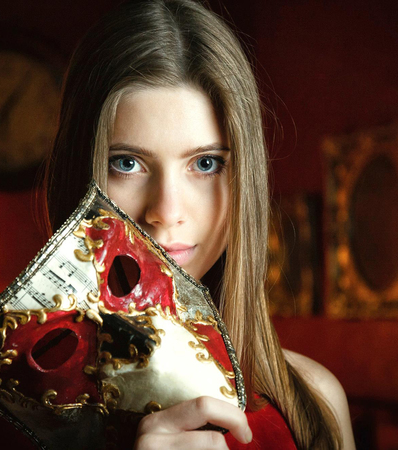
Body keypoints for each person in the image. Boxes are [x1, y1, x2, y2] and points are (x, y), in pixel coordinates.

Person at [44, 0, 356, 448]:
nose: (167, 211)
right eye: (126, 163)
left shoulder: (314, 401)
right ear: (79, 174)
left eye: (206, 163)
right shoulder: (15, 416)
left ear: (244, 177)